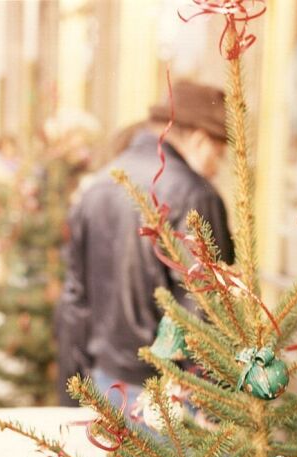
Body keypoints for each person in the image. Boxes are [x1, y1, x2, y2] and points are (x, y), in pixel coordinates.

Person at [55, 80, 234, 407]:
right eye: (218, 155)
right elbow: (208, 309)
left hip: (106, 381)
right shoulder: (195, 194)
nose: (216, 169)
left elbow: (75, 301)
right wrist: (218, 403)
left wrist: (71, 393)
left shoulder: (98, 185)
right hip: (175, 396)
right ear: (198, 139)